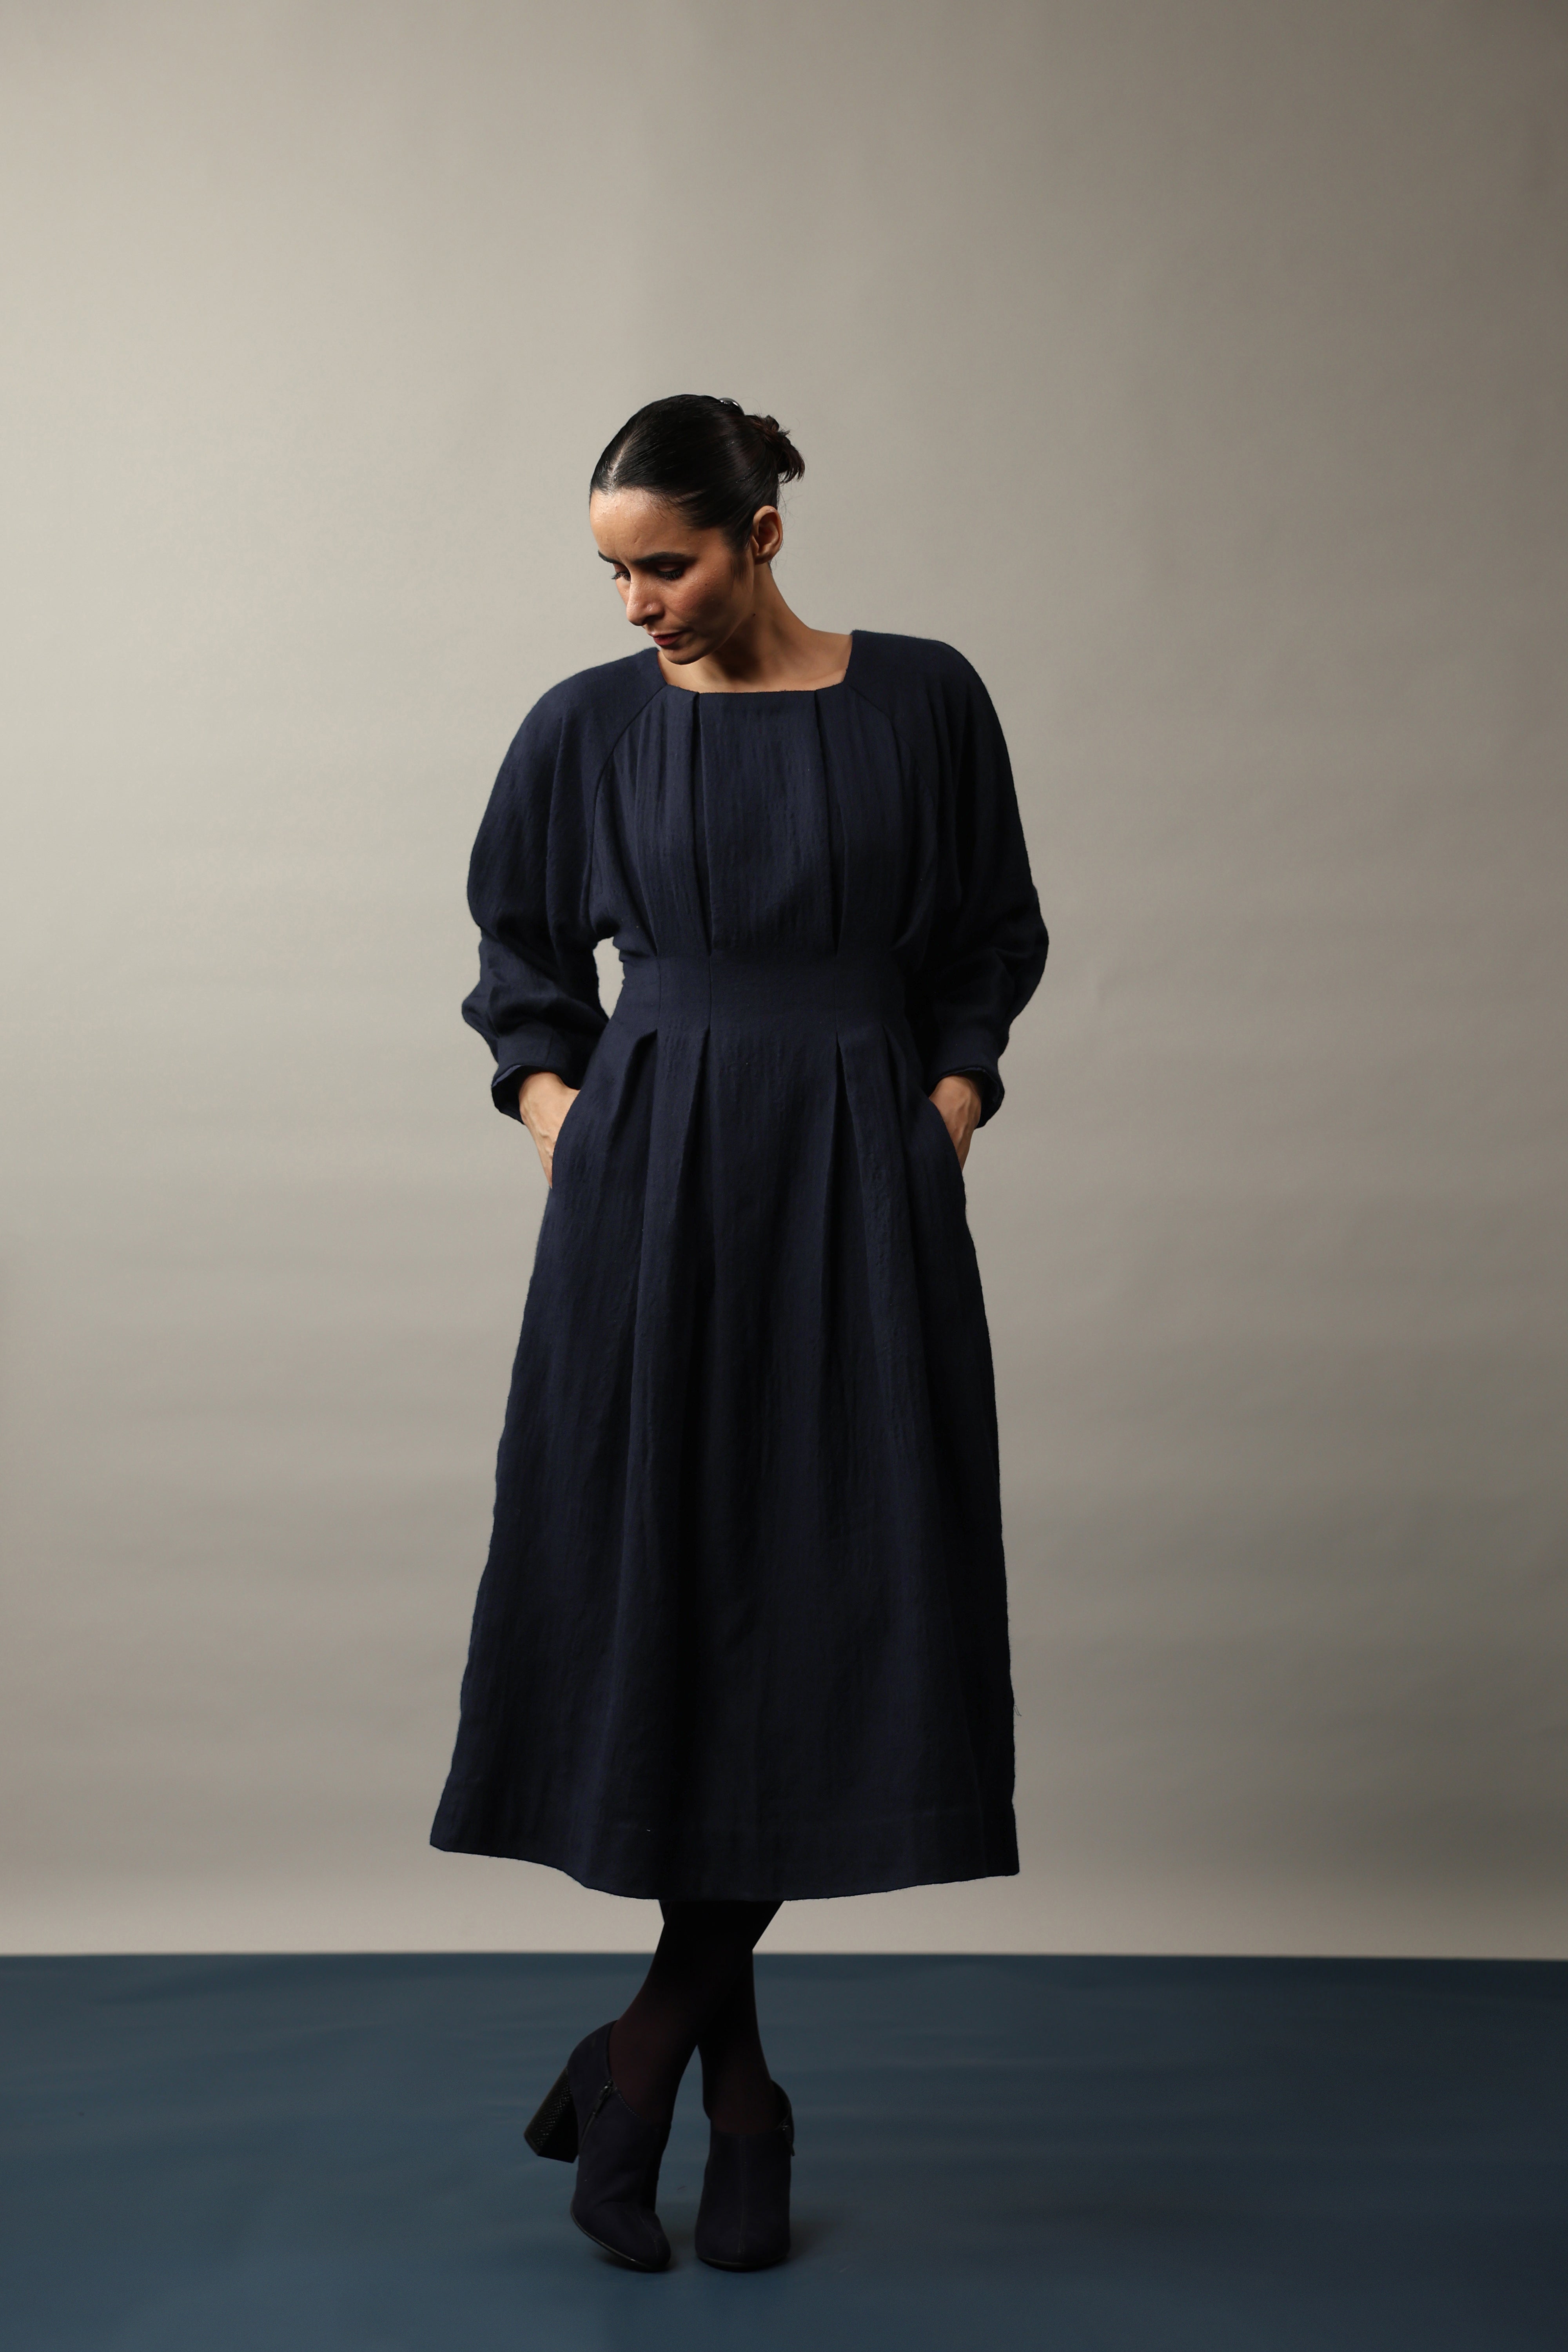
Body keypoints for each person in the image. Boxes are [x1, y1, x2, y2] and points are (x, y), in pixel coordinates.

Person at [431, 394, 1048, 2273]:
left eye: (668, 565)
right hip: (653, 1189)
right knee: (683, 1596)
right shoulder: (586, 727)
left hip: (861, 1181)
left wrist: (945, 1110)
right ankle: (742, 2096)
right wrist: (568, 1119)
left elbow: (991, 937)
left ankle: (643, 2059)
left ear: (760, 536)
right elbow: (519, 958)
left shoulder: (925, 698)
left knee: (827, 1591)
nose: (637, 605)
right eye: (613, 573)